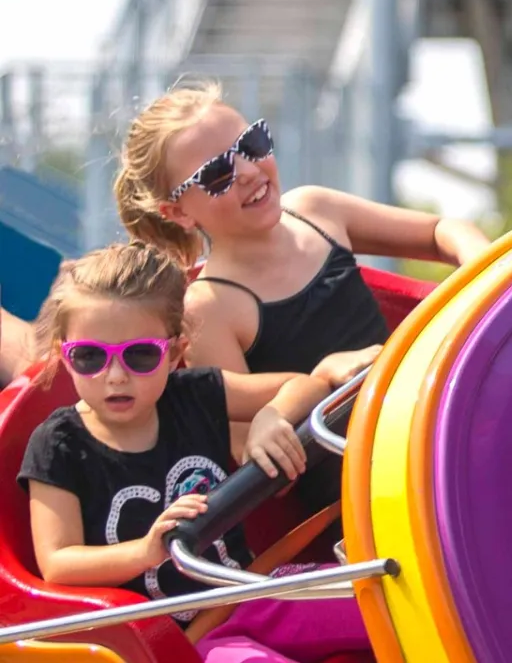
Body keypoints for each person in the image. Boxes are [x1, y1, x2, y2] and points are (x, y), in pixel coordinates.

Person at [112, 81, 491, 514]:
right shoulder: (210, 307)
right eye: (218, 174)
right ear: (178, 212)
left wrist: (487, 270)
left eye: (251, 144)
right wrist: (326, 378)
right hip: (364, 494)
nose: (249, 171)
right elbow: (256, 460)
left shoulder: (315, 210)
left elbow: (441, 232)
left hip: (428, 423)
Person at [18, 243, 371, 661]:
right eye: (90, 357)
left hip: (255, 591)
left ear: (175, 353)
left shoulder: (194, 395)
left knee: (389, 595)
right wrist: (147, 550)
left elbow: (304, 385)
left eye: (141, 355)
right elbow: (58, 563)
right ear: (64, 354)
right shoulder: (58, 445)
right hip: (178, 641)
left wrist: (270, 417)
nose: (114, 376)